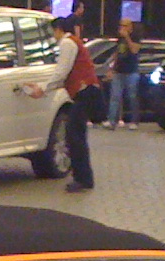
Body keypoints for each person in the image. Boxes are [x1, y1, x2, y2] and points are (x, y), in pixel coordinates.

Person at [26, 16, 101, 192]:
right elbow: (65, 77)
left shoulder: (67, 43)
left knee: (74, 136)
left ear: (58, 29)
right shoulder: (73, 42)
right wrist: (42, 88)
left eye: (53, 31)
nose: (53, 36)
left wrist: (43, 88)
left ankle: (81, 178)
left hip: (84, 92)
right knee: (77, 135)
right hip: (87, 91)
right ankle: (85, 178)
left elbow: (62, 72)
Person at [106, 19, 141, 130]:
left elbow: (134, 50)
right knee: (115, 96)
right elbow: (117, 52)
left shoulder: (135, 37)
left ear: (130, 27)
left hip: (131, 71)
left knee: (132, 96)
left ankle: (134, 121)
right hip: (119, 71)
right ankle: (111, 121)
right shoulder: (119, 38)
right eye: (121, 25)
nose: (122, 28)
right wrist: (111, 67)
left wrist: (127, 37)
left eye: (125, 25)